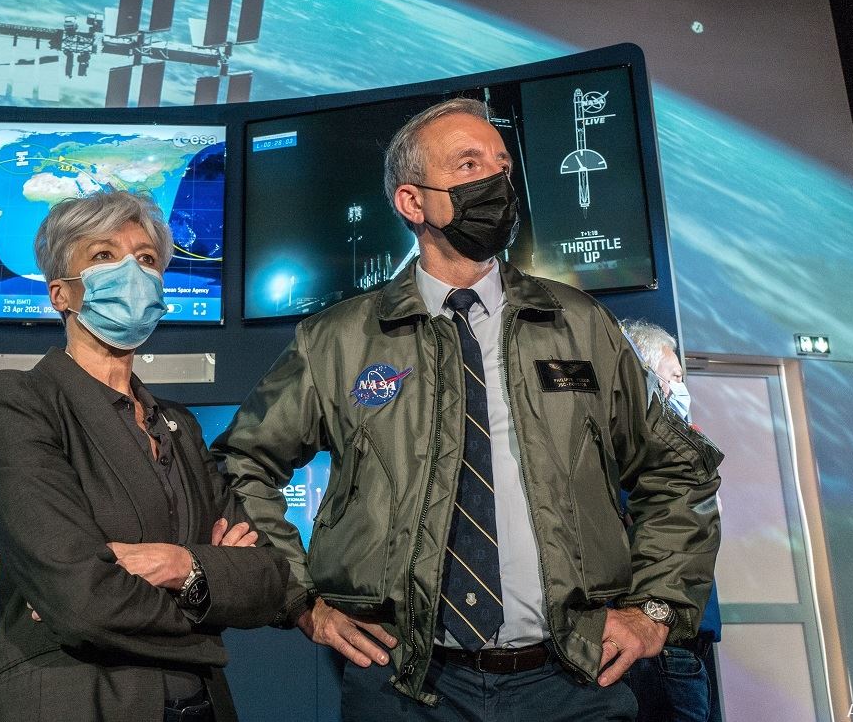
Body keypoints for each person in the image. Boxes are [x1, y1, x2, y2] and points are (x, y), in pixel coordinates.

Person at [212, 98, 723, 721]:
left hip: (572, 683)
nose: (496, 180)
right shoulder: (337, 341)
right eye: (468, 164)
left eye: (502, 165)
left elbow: (681, 471)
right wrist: (298, 601)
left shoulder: (580, 325)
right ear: (412, 201)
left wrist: (655, 609)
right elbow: (241, 464)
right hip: (402, 684)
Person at [0, 191, 288, 722]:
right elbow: (82, 601)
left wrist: (181, 565)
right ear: (60, 294)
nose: (132, 273)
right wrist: (209, 603)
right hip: (76, 704)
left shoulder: (179, 426)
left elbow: (269, 578)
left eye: (145, 258)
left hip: (203, 706)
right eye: (103, 256)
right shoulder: (17, 401)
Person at [621, 320, 723, 722]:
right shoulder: (635, 457)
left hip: (684, 646)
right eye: (674, 377)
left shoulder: (683, 456)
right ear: (645, 379)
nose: (681, 388)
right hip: (657, 650)